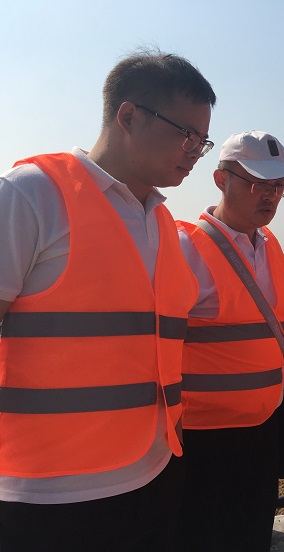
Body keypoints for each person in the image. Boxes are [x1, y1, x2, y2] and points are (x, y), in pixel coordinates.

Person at [0, 49, 216, 551]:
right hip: (45, 495)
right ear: (128, 115)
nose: (194, 152)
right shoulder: (31, 195)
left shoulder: (160, 220)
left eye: (202, 142)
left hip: (152, 474)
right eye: (186, 134)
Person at [175, 131, 284, 551]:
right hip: (200, 438)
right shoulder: (185, 247)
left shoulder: (270, 246)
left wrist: (281, 414)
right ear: (220, 179)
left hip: (262, 430)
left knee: (251, 536)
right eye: (256, 183)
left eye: (277, 186)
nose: (270, 195)